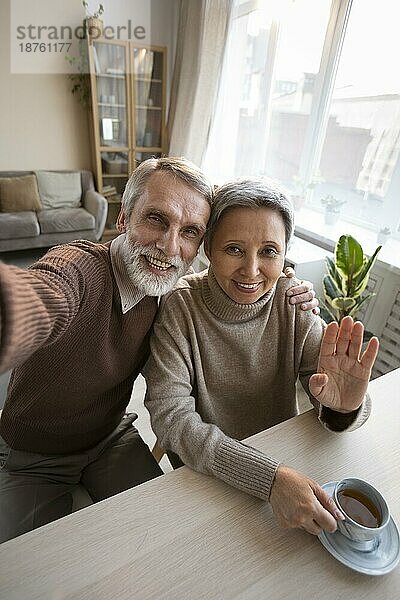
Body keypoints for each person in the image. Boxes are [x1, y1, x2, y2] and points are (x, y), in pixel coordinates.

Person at [0, 158, 317, 543]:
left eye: (189, 232)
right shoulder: (79, 268)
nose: (169, 246)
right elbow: (44, 292)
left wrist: (284, 282)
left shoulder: (167, 293)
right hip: (33, 454)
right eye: (156, 219)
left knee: (169, 537)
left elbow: (244, 276)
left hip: (109, 439)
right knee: (27, 565)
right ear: (123, 217)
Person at [144, 177, 379, 536]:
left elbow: (335, 401)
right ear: (208, 248)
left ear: (285, 254)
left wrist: (343, 408)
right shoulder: (180, 307)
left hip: (286, 464)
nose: (251, 270)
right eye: (234, 249)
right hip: (212, 473)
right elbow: (171, 419)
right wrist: (269, 479)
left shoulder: (293, 301)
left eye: (269, 251)